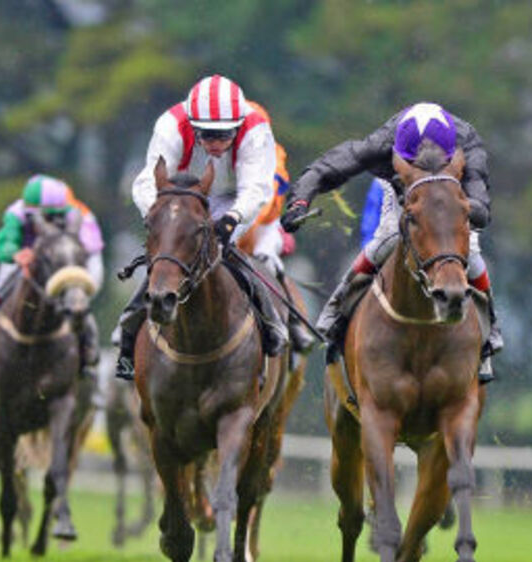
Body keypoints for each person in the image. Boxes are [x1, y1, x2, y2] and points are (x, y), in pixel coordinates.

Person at [281, 101, 503, 383]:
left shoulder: (467, 142)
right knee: (385, 241)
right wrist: (300, 201)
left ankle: (490, 330)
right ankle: (336, 311)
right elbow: (327, 167)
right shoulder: (385, 142)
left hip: (451, 201)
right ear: (398, 156)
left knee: (470, 254)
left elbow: (480, 205)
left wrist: (465, 209)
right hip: (407, 197)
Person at [116, 74, 313, 380]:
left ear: (238, 125)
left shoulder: (255, 128)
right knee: (169, 258)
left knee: (259, 257)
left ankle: (279, 326)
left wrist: (232, 219)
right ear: (193, 126)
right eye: (207, 136)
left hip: (244, 203)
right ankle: (128, 334)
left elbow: (256, 191)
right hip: (184, 199)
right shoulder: (170, 126)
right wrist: (161, 218)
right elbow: (145, 183)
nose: (216, 144)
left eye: (224, 135)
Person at [0, 174, 104, 374]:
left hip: (63, 260)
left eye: (55, 218)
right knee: (3, 283)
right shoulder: (16, 213)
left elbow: (87, 251)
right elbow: (5, 243)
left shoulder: (79, 215)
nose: (49, 222)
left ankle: (88, 342)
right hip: (25, 255)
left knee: (76, 295)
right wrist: (16, 254)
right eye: (43, 217)